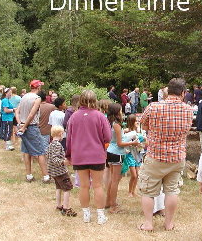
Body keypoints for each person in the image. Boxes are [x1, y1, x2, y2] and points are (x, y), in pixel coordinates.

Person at [138, 78, 193, 231]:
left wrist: (153, 130)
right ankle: (168, 223)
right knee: (172, 191)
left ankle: (148, 223)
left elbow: (143, 123)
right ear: (183, 93)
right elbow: (187, 130)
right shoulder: (188, 110)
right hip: (177, 157)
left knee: (148, 191)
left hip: (156, 155)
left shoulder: (153, 107)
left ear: (167, 91)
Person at [65, 90, 112, 224]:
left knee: (84, 186)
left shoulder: (74, 117)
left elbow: (69, 138)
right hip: (97, 155)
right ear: (95, 100)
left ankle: (86, 214)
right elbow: (108, 136)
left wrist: (69, 155)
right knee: (97, 186)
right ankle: (100, 215)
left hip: (79, 155)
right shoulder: (100, 116)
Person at [106, 103, 140, 213]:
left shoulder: (111, 123)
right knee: (116, 180)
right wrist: (132, 142)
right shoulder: (117, 125)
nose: (122, 112)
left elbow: (115, 139)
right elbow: (120, 143)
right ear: (117, 112)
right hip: (117, 153)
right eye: (121, 110)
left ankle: (108, 202)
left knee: (112, 179)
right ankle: (113, 206)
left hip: (110, 151)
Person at [16, 79, 51, 183]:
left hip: (23, 125)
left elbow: (17, 111)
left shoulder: (24, 97)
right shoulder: (37, 98)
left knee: (26, 151)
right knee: (40, 151)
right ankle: (46, 177)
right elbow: (32, 114)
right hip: (31, 126)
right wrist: (25, 126)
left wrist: (20, 124)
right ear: (38, 87)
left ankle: (29, 175)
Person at [47, 125, 77, 217]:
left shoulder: (51, 144)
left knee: (58, 188)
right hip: (60, 171)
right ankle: (66, 208)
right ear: (60, 134)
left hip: (54, 172)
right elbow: (55, 159)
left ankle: (59, 205)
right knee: (67, 188)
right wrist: (64, 162)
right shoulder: (57, 145)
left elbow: (49, 156)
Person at [124, 114, 144, 197]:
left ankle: (133, 191)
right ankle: (129, 192)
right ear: (132, 122)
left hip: (138, 154)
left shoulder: (140, 131)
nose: (137, 122)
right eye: (136, 121)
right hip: (130, 154)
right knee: (134, 175)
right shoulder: (126, 131)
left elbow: (143, 142)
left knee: (137, 175)